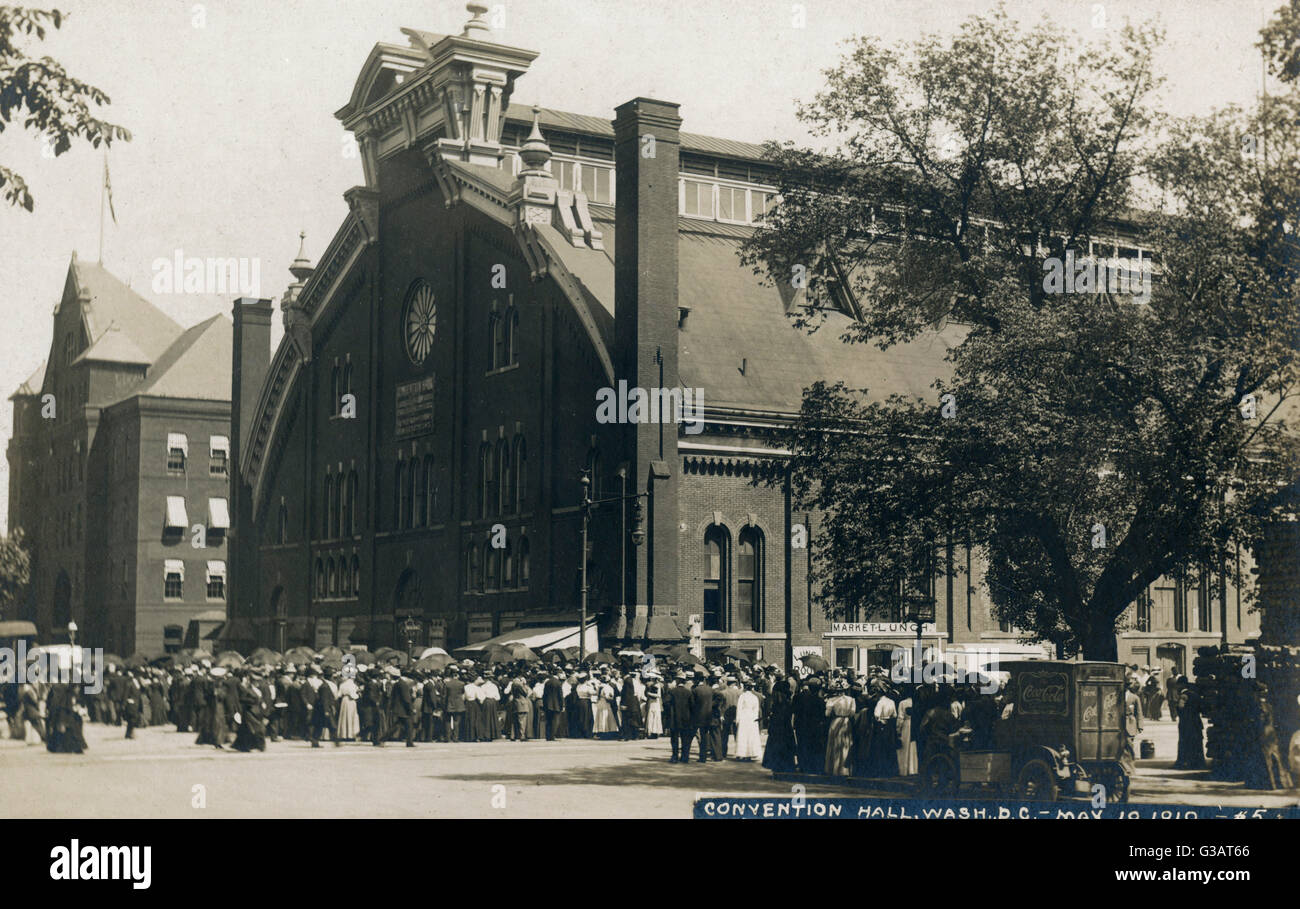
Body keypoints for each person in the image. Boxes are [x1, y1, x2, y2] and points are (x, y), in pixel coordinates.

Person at [761, 680, 797, 772]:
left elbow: (779, 719)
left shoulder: (780, 705)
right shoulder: (787, 703)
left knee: (778, 749)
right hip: (785, 730)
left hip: (779, 731)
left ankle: (779, 767)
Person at [45, 683, 87, 753]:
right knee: (65, 730)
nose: (78, 689)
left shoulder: (64, 691)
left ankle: (64, 747)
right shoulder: (61, 690)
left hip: (63, 713)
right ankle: (69, 747)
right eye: (77, 687)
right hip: (62, 714)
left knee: (67, 730)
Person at [1174, 681, 1206, 770]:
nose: (1177, 687)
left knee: (1185, 742)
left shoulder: (1183, 696)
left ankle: (1184, 763)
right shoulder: (1196, 695)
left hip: (1186, 723)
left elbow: (1180, 707)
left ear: (1182, 685)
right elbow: (1202, 709)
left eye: (1178, 684)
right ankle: (1199, 763)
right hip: (1196, 723)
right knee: (1197, 743)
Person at [669, 672, 695, 763]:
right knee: (685, 739)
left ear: (678, 680)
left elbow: (667, 703)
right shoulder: (688, 692)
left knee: (674, 739)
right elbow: (692, 706)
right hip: (686, 718)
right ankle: (685, 757)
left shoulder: (672, 691)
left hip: (674, 718)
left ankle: (675, 756)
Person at [734, 681, 762, 761]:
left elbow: (739, 708)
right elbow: (756, 710)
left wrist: (737, 719)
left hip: (744, 716)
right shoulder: (754, 697)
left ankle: (742, 754)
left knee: (743, 735)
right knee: (751, 735)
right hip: (752, 717)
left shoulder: (743, 696)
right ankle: (750, 754)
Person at [389, 667, 416, 747]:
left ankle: (383, 738)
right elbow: (406, 698)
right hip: (404, 709)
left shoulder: (397, 684)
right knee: (409, 725)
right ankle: (409, 742)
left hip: (398, 708)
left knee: (396, 726)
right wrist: (411, 708)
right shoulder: (403, 684)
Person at [337, 668, 361, 742]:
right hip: (351, 701)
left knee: (344, 717)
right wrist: (358, 694)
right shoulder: (352, 685)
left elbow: (338, 694)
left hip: (344, 701)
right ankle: (351, 734)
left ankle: (344, 734)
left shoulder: (342, 684)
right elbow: (352, 695)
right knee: (351, 717)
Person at [443, 668, 466, 742]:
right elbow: (462, 693)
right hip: (459, 704)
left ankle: (448, 738)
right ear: (457, 675)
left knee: (447, 721)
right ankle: (455, 737)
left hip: (449, 704)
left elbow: (444, 695)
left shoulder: (447, 684)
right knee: (456, 722)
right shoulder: (461, 683)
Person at [543, 668, 566, 741]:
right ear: (558, 674)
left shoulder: (547, 682)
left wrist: (544, 704)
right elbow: (560, 695)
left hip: (548, 704)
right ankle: (552, 736)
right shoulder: (558, 683)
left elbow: (544, 695)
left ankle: (548, 736)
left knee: (548, 721)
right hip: (556, 704)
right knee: (555, 721)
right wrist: (563, 705)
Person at [619, 673, 643, 741]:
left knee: (626, 719)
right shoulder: (636, 682)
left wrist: (624, 703)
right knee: (634, 719)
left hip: (629, 701)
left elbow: (627, 693)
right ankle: (635, 735)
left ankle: (627, 736)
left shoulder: (627, 681)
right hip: (635, 701)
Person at [644, 672, 664, 739]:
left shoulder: (658, 685)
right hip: (651, 702)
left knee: (655, 716)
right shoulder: (652, 685)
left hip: (655, 703)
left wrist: (649, 694)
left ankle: (655, 732)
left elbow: (658, 695)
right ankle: (651, 731)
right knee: (651, 717)